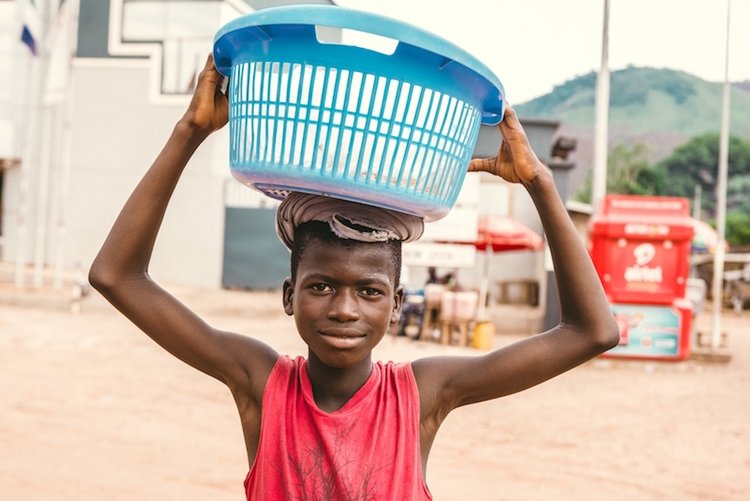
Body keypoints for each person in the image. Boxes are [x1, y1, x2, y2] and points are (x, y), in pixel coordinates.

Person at [89, 55, 620, 500]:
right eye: (321, 286)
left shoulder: (424, 394)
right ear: (289, 295)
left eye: (370, 291)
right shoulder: (261, 382)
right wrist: (190, 131)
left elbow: (591, 332)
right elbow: (117, 276)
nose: (344, 309)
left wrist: (539, 183)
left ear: (396, 304)